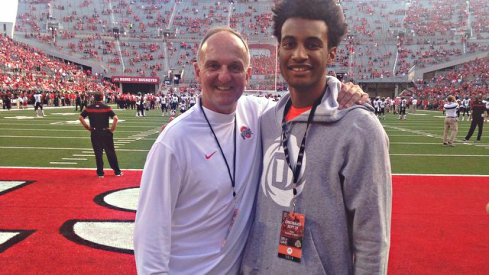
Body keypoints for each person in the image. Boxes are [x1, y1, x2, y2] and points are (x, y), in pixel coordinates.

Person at [134, 26, 368, 274]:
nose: (224, 77)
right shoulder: (174, 142)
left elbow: (301, 100)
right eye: (213, 66)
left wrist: (336, 88)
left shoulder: (258, 114)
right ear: (197, 71)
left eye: (234, 67)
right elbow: (149, 235)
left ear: (248, 74)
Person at [241, 1, 391, 274]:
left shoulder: (359, 128)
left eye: (312, 44)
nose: (298, 54)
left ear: (331, 54)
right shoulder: (265, 121)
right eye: (289, 44)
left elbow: (372, 238)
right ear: (279, 52)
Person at [79, 91, 123, 178]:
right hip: (106, 132)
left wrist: (87, 127)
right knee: (110, 152)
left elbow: (80, 117)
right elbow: (115, 118)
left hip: (95, 132)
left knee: (98, 153)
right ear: (102, 98)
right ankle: (117, 172)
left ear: (94, 98)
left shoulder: (89, 108)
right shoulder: (107, 108)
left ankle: (100, 173)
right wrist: (112, 129)